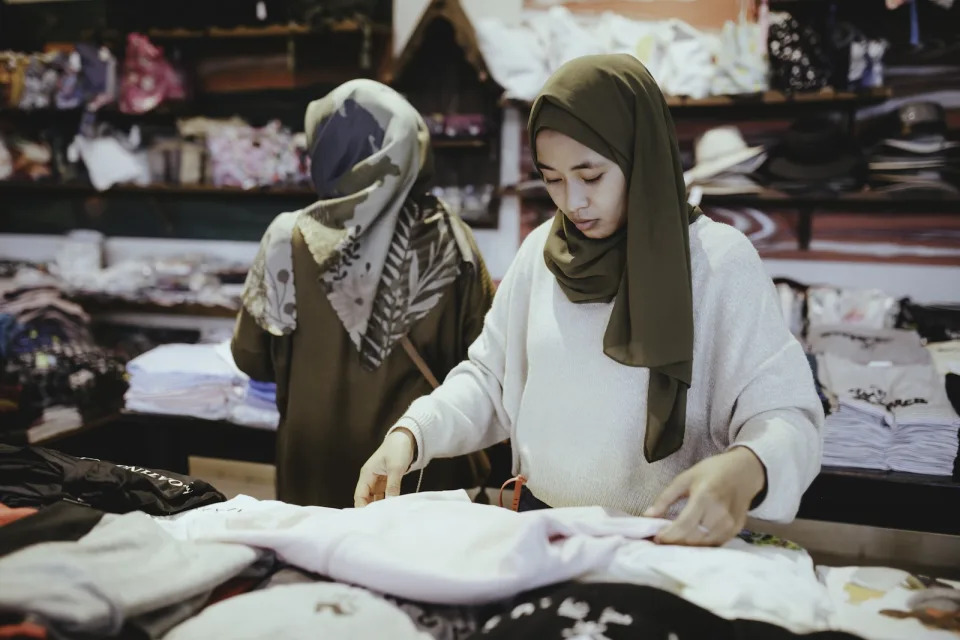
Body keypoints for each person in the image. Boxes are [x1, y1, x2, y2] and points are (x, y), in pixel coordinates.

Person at [354, 55, 825, 546]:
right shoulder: (542, 254)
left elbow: (789, 417)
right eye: (552, 179)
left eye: (591, 175)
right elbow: (492, 379)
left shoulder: (718, 264)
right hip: (541, 535)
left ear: (638, 155)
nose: (572, 201)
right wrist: (412, 435)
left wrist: (747, 466)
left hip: (670, 545)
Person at [232, 79, 495, 508]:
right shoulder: (453, 239)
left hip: (313, 470)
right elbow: (485, 363)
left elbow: (252, 359)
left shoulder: (288, 238)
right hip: (419, 472)